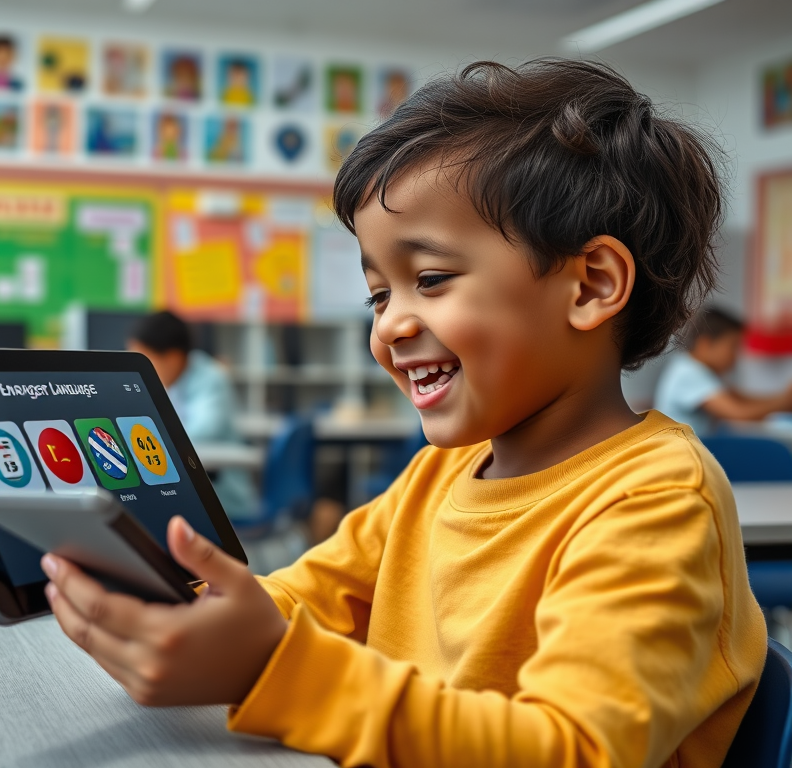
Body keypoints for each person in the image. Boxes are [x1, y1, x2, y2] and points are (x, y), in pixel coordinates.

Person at [40, 60, 766, 767]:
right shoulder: (440, 473)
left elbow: (573, 749)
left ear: (590, 286)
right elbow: (304, 598)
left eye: (430, 279)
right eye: (379, 295)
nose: (388, 327)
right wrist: (177, 607)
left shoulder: (654, 501)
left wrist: (272, 670)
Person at [126, 311, 257, 520]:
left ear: (173, 358)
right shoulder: (170, 383)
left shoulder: (212, 379)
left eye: (145, 359)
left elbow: (201, 432)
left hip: (222, 495)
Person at [656, 307, 792, 434]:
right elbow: (738, 414)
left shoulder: (697, 368)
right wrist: (782, 403)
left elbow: (739, 398)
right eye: (733, 347)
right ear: (705, 344)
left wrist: (782, 401)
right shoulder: (689, 372)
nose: (736, 356)